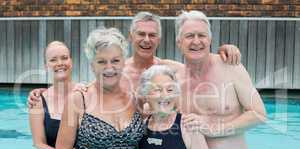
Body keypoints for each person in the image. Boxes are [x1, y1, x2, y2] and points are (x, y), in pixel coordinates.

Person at [27, 11, 241, 107]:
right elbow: (83, 91)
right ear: (131, 37)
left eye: (152, 35)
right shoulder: (116, 70)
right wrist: (44, 93)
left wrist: (225, 50)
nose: (146, 40)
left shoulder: (170, 69)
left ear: (159, 39)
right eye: (141, 34)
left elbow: (201, 64)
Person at [175, 10, 267, 149]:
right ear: (179, 42)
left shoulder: (231, 67)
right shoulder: (174, 78)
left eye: (201, 35)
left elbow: (259, 114)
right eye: (189, 36)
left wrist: (215, 130)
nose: (196, 41)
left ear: (210, 40)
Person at [55, 27, 145, 149]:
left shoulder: (135, 100)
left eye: (115, 60)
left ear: (124, 62)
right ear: (92, 65)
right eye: (102, 62)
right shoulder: (78, 100)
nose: (109, 68)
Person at [134, 65, 213, 149]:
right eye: (157, 90)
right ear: (146, 95)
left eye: (170, 90)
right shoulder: (141, 127)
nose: (165, 95)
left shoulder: (188, 125)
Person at [28, 41, 76, 149]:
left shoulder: (86, 93)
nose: (60, 63)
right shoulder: (38, 100)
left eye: (64, 58)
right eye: (53, 59)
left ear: (71, 61)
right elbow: (39, 143)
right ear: (45, 65)